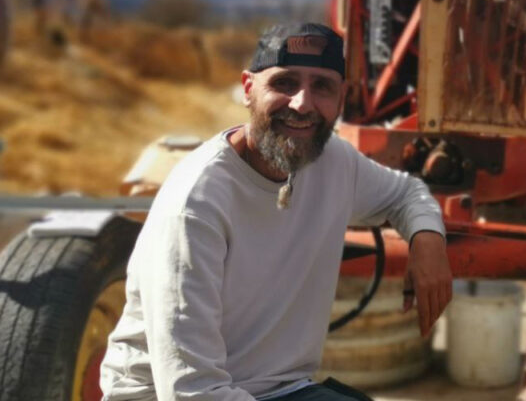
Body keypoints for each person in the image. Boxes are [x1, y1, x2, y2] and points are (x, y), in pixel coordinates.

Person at [100, 23, 452, 400]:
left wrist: (427, 239)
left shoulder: (333, 161)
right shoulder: (197, 204)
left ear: (341, 97)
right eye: (284, 83)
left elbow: (406, 193)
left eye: (322, 87)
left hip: (276, 389)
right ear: (249, 88)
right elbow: (192, 391)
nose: (302, 103)